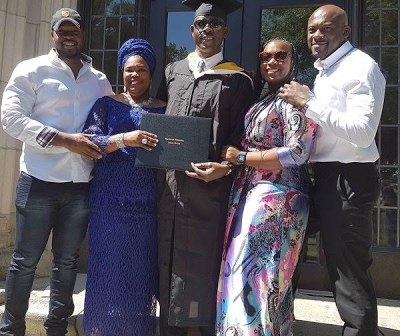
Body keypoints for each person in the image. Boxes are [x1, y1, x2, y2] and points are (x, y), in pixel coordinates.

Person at [0, 8, 113, 336]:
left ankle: (57, 329)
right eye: (61, 30)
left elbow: (111, 120)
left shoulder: (99, 80)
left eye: (73, 30)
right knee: (25, 262)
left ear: (82, 34)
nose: (68, 36)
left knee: (67, 264)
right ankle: (10, 330)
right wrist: (66, 141)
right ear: (52, 34)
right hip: (38, 181)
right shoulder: (31, 70)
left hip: (79, 185)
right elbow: (11, 119)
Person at [279, 5, 386, 336]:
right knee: (289, 248)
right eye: (312, 29)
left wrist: (308, 102)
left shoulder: (361, 67)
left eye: (326, 29)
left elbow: (362, 131)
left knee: (348, 271)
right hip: (323, 177)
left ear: (346, 32)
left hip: (349, 178)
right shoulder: (326, 71)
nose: (317, 35)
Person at [156, 0, 254, 335]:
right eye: (200, 24)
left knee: (200, 269)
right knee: (165, 261)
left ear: (225, 30)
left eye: (214, 23)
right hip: (169, 189)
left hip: (208, 192)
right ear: (192, 29)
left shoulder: (239, 80)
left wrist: (226, 168)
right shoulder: (173, 71)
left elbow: (244, 138)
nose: (207, 29)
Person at [215, 39, 317, 336]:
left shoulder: (295, 99)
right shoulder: (265, 100)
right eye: (265, 56)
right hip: (254, 194)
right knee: (249, 275)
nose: (271, 62)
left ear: (293, 61)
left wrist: (244, 157)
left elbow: (298, 152)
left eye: (280, 55)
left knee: (261, 278)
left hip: (279, 199)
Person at [82, 39, 165, 336]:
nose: (134, 75)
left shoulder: (165, 109)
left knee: (138, 274)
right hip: (108, 202)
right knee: (108, 270)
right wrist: (125, 139)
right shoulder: (105, 105)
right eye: (129, 70)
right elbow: (90, 144)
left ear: (150, 73)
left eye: (141, 69)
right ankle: (101, 330)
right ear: (121, 72)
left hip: (147, 205)